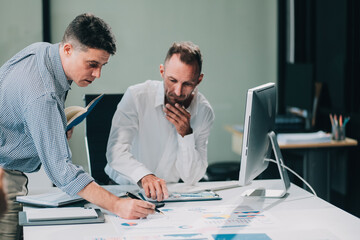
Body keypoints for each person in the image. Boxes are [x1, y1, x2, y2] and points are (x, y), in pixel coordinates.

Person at [0, 13, 155, 239]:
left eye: (102, 65)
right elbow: (62, 172)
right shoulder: (42, 94)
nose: (97, 74)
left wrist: (55, 125)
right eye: (92, 64)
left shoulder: (43, 52)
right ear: (68, 50)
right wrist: (118, 205)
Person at [105, 41, 215, 202]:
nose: (178, 91)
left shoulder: (204, 111)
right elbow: (115, 153)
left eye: (187, 84)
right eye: (172, 80)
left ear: (198, 80)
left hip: (170, 193)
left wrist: (186, 134)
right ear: (162, 71)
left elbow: (191, 178)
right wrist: (144, 176)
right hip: (124, 188)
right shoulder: (136, 97)